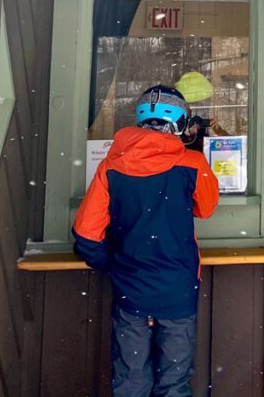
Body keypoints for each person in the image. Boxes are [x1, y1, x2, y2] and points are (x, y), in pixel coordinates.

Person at [73, 85, 220, 397]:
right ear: (181, 123)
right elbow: (205, 208)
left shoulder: (111, 166)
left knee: (130, 380)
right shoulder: (191, 165)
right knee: (175, 381)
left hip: (131, 288)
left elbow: (86, 233)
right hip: (177, 287)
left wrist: (108, 264)